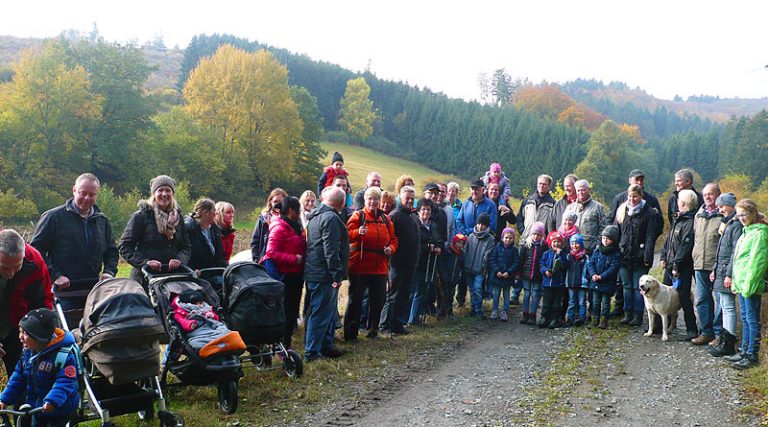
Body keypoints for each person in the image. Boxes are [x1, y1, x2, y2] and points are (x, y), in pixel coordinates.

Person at [30, 173, 118, 310]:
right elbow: (35, 251)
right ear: (74, 190)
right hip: (64, 293)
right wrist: (55, 275)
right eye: (83, 193)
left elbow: (112, 251)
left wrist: (109, 272)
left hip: (94, 291)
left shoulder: (102, 220)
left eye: (92, 194)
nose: (87, 198)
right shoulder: (53, 217)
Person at [0, 308, 78, 427]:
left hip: (58, 409)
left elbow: (64, 382)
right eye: (20, 331)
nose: (20, 337)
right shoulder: (29, 353)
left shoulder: (62, 356)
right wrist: (4, 399)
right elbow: (17, 379)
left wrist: (52, 401)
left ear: (39, 336)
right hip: (37, 408)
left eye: (25, 333)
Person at [303, 186, 349, 362]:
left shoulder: (317, 216)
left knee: (326, 312)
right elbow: (330, 250)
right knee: (320, 313)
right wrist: (337, 275)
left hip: (316, 271)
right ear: (342, 203)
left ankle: (325, 346)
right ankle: (312, 352)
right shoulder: (330, 218)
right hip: (324, 274)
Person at [345, 187, 398, 341]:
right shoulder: (358, 216)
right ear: (365, 200)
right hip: (359, 266)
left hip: (380, 267)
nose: (373, 202)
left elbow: (394, 239)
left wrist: (391, 249)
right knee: (355, 301)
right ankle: (350, 334)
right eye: (370, 199)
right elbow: (346, 235)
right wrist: (357, 232)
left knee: (378, 301)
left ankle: (373, 330)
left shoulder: (386, 219)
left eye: (376, 199)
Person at [119, 175, 191, 284]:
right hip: (144, 279)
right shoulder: (141, 216)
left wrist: (180, 260)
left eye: (168, 190)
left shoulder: (178, 218)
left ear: (172, 194)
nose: (164, 194)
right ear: (153, 193)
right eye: (160, 190)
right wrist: (145, 263)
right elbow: (124, 246)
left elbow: (186, 247)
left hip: (172, 278)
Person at [0, 229, 54, 376]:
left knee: (21, 375)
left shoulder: (35, 261)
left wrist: (40, 334)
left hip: (17, 325)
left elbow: (43, 301)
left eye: (17, 267)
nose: (10, 274)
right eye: (4, 267)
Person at [725, 199, 768, 370]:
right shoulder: (747, 231)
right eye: (739, 215)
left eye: (744, 214)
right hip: (741, 282)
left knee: (752, 319)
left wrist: (749, 284)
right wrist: (737, 281)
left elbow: (757, 262)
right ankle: (743, 350)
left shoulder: (760, 233)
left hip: (750, 283)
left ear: (752, 213)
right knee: (744, 317)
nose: (741, 218)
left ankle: (752, 354)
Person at [261, 196, 306, 351]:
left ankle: (285, 344)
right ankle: (280, 346)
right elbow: (271, 252)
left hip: (295, 275)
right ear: (292, 210)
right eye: (298, 209)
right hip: (285, 276)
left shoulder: (294, 225)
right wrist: (294, 259)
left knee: (292, 312)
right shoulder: (280, 227)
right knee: (286, 313)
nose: (300, 212)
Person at [615, 184, 659, 327]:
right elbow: (617, 232)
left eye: (635, 196)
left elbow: (650, 237)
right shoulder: (622, 210)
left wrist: (647, 256)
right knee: (626, 286)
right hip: (624, 255)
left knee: (638, 287)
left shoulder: (649, 213)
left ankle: (638, 315)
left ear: (641, 196)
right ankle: (627, 313)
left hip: (640, 256)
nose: (632, 199)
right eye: (630, 196)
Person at [660, 189, 698, 340]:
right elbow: (669, 241)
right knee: (663, 293)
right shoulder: (678, 219)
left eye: (678, 201)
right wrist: (663, 256)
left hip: (682, 267)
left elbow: (685, 246)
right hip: (670, 264)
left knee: (683, 296)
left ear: (682, 203)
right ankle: (661, 325)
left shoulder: (689, 222)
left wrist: (676, 265)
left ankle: (692, 329)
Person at [381, 186, 419, 335]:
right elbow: (389, 239)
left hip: (410, 263)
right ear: (400, 198)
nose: (410, 200)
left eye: (412, 198)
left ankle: (398, 324)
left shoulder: (413, 216)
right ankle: (385, 326)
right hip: (396, 263)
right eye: (407, 198)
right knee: (392, 295)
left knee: (404, 295)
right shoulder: (395, 215)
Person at [708, 193, 741, 357]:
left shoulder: (735, 225)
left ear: (730, 205)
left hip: (727, 272)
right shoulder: (727, 223)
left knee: (728, 307)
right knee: (722, 305)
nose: (719, 209)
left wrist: (729, 274)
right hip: (720, 271)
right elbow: (720, 250)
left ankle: (728, 343)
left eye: (722, 206)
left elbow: (735, 252)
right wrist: (714, 269)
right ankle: (723, 341)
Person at [691, 183, 723, 345]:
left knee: (720, 301)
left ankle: (719, 334)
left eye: (711, 194)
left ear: (718, 195)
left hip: (717, 266)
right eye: (705, 195)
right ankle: (706, 332)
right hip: (699, 264)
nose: (708, 197)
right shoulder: (699, 215)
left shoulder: (723, 216)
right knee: (702, 299)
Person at [172, 289, 242, 352]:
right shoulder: (179, 312)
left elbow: (216, 320)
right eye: (199, 303)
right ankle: (218, 344)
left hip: (212, 328)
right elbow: (181, 321)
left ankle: (223, 341)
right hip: (197, 333)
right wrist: (190, 324)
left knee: (223, 330)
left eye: (201, 303)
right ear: (188, 304)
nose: (201, 306)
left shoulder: (206, 308)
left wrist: (212, 316)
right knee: (195, 342)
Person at [408, 199, 442, 325]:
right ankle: (412, 319)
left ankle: (414, 317)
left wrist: (438, 246)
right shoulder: (414, 223)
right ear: (418, 210)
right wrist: (427, 247)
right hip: (417, 262)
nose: (426, 212)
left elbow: (437, 239)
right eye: (423, 209)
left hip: (429, 263)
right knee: (415, 291)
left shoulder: (432, 225)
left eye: (428, 209)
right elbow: (413, 243)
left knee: (422, 290)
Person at [587, 226, 621, 329]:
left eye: (608, 238)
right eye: (603, 238)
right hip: (596, 281)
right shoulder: (597, 250)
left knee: (606, 303)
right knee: (595, 302)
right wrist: (593, 274)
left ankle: (604, 320)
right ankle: (594, 319)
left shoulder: (615, 253)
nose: (605, 241)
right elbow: (591, 263)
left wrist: (602, 276)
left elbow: (613, 268)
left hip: (607, 282)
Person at [463, 213, 495, 320]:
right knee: (471, 289)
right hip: (468, 267)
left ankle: (479, 310)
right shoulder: (471, 236)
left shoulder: (490, 238)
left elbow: (488, 254)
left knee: (477, 288)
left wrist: (483, 266)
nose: (481, 226)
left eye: (483, 225)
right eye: (479, 223)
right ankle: (473, 308)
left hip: (479, 269)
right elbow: (466, 251)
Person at [562, 179, 607, 254]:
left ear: (589, 190)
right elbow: (563, 228)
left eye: (583, 190)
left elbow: (603, 228)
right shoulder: (570, 208)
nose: (580, 193)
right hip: (571, 252)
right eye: (578, 190)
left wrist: (597, 244)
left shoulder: (598, 207)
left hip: (590, 251)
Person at [185, 198, 228, 271]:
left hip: (213, 274)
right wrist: (191, 269)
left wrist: (229, 268)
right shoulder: (188, 229)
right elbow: (184, 253)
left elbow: (220, 257)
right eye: (214, 210)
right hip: (196, 276)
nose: (216, 213)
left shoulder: (215, 230)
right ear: (205, 213)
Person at [487, 228, 519, 321]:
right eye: (506, 237)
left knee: (506, 295)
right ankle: (494, 310)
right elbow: (492, 260)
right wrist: (497, 271)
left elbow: (516, 262)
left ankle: (504, 311)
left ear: (513, 239)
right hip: (497, 276)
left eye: (510, 238)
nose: (508, 240)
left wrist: (509, 272)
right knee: (496, 294)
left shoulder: (514, 250)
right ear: (502, 238)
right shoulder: (497, 248)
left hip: (508, 277)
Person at [538, 231, 567, 329]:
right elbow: (541, 265)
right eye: (554, 241)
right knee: (546, 302)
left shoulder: (564, 254)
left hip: (558, 283)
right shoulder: (546, 254)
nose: (556, 244)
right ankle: (544, 317)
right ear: (551, 243)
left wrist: (559, 255)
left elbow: (565, 266)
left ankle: (554, 319)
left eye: (558, 242)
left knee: (556, 303)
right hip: (547, 283)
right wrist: (545, 271)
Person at [518, 222, 546, 325]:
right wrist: (519, 272)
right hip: (526, 274)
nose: (536, 236)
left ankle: (532, 315)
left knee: (535, 294)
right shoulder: (526, 245)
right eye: (534, 234)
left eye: (538, 234)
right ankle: (525, 314)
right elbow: (521, 260)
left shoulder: (544, 246)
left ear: (542, 235)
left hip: (537, 275)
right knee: (526, 294)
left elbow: (544, 260)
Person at [250, 188, 287, 262]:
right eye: (275, 201)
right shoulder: (263, 219)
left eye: (280, 201)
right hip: (266, 259)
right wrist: (257, 260)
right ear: (270, 202)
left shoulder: (289, 219)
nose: (278, 204)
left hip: (284, 259)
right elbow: (255, 241)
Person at [517, 174, 556, 243]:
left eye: (544, 184)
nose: (541, 186)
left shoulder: (552, 204)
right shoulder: (527, 201)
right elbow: (520, 217)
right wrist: (522, 230)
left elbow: (553, 224)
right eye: (540, 183)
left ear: (549, 186)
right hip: (526, 240)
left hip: (542, 242)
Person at [437, 234, 466, 318]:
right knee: (443, 296)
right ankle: (441, 313)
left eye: (462, 243)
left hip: (454, 279)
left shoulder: (461, 255)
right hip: (445, 278)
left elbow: (461, 267)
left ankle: (449, 312)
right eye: (458, 243)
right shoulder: (447, 251)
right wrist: (443, 275)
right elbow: (441, 264)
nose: (460, 245)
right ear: (454, 242)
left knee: (451, 295)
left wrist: (458, 277)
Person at [564, 234, 589, 327]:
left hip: (582, 283)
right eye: (572, 243)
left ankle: (582, 318)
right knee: (571, 301)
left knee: (582, 302)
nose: (574, 246)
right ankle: (570, 318)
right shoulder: (568, 256)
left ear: (581, 244)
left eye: (577, 243)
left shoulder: (585, 257)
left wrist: (587, 279)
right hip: (570, 283)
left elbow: (588, 270)